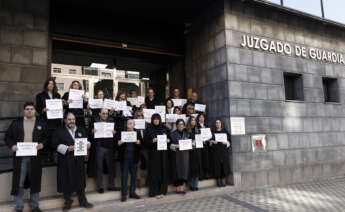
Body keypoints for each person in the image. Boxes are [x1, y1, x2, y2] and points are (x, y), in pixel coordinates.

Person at [5, 102, 47, 212]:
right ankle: (19, 207)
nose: (29, 110)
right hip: (20, 158)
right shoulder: (16, 123)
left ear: (34, 111)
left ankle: (35, 206)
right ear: (24, 110)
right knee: (19, 182)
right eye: (27, 109)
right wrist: (12, 145)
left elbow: (47, 137)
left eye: (31, 109)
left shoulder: (41, 123)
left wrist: (42, 144)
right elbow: (7, 137)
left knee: (35, 181)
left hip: (35, 157)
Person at [51, 112, 93, 211]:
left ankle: (83, 200)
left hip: (79, 159)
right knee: (66, 180)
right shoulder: (59, 131)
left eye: (73, 119)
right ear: (65, 120)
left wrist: (88, 144)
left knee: (80, 179)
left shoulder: (81, 129)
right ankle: (68, 201)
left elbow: (86, 140)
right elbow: (54, 144)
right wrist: (66, 148)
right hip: (65, 159)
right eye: (69, 119)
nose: (72, 121)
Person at [87, 108, 117, 193]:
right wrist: (92, 132)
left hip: (109, 147)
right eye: (103, 113)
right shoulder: (94, 123)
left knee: (111, 166)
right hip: (99, 147)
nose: (105, 115)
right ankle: (100, 186)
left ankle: (111, 185)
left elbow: (115, 136)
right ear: (99, 114)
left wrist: (114, 133)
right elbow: (89, 135)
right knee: (99, 167)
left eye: (106, 114)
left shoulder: (111, 122)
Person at [35, 78, 62, 163]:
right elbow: (38, 108)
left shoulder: (57, 95)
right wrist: (43, 110)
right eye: (49, 83)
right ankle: (45, 158)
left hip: (55, 121)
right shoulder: (40, 96)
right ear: (46, 85)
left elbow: (60, 108)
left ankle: (52, 157)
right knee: (46, 138)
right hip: (45, 121)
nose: (51, 85)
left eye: (52, 84)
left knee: (54, 139)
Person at [143, 113, 170, 198]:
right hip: (154, 154)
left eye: (157, 119)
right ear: (152, 120)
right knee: (154, 173)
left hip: (163, 154)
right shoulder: (148, 129)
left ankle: (162, 191)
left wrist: (168, 140)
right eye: (154, 119)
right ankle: (154, 192)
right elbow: (145, 142)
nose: (156, 120)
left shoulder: (164, 128)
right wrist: (152, 140)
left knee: (163, 172)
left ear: (160, 120)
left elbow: (170, 138)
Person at [117, 119, 142, 202]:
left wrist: (139, 143)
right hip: (124, 157)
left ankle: (132, 192)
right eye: (128, 123)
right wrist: (119, 143)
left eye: (131, 123)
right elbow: (117, 144)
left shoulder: (137, 133)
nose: (129, 124)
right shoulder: (122, 132)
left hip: (134, 157)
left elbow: (141, 144)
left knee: (134, 175)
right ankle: (124, 194)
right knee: (124, 176)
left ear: (134, 125)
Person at [169, 119, 190, 195]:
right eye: (179, 124)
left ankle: (182, 188)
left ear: (184, 125)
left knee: (184, 171)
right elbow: (170, 145)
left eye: (182, 124)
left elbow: (190, 142)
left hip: (185, 155)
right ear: (177, 125)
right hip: (176, 155)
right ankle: (178, 189)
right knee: (177, 171)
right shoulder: (172, 134)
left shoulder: (187, 133)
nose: (180, 125)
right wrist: (176, 145)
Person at [211, 119, 231, 187]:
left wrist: (226, 142)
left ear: (221, 123)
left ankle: (223, 180)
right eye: (216, 123)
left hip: (223, 151)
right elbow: (210, 141)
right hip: (216, 151)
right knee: (217, 165)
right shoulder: (213, 131)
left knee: (223, 165)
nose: (217, 124)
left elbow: (229, 140)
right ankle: (218, 180)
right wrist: (213, 142)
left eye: (219, 122)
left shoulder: (225, 131)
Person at [186, 116, 202, 191]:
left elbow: (201, 139)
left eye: (194, 120)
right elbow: (184, 140)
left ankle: (195, 185)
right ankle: (191, 185)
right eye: (192, 120)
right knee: (191, 168)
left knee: (197, 168)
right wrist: (191, 142)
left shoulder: (198, 130)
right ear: (189, 122)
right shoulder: (186, 131)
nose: (193, 121)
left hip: (197, 151)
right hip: (190, 151)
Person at [197, 113, 211, 179]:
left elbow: (210, 135)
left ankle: (206, 174)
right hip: (199, 145)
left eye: (202, 117)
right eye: (200, 117)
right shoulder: (196, 126)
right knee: (200, 159)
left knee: (206, 159)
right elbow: (196, 135)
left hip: (206, 145)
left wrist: (208, 139)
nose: (201, 118)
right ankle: (201, 175)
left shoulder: (207, 126)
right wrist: (200, 140)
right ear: (198, 118)